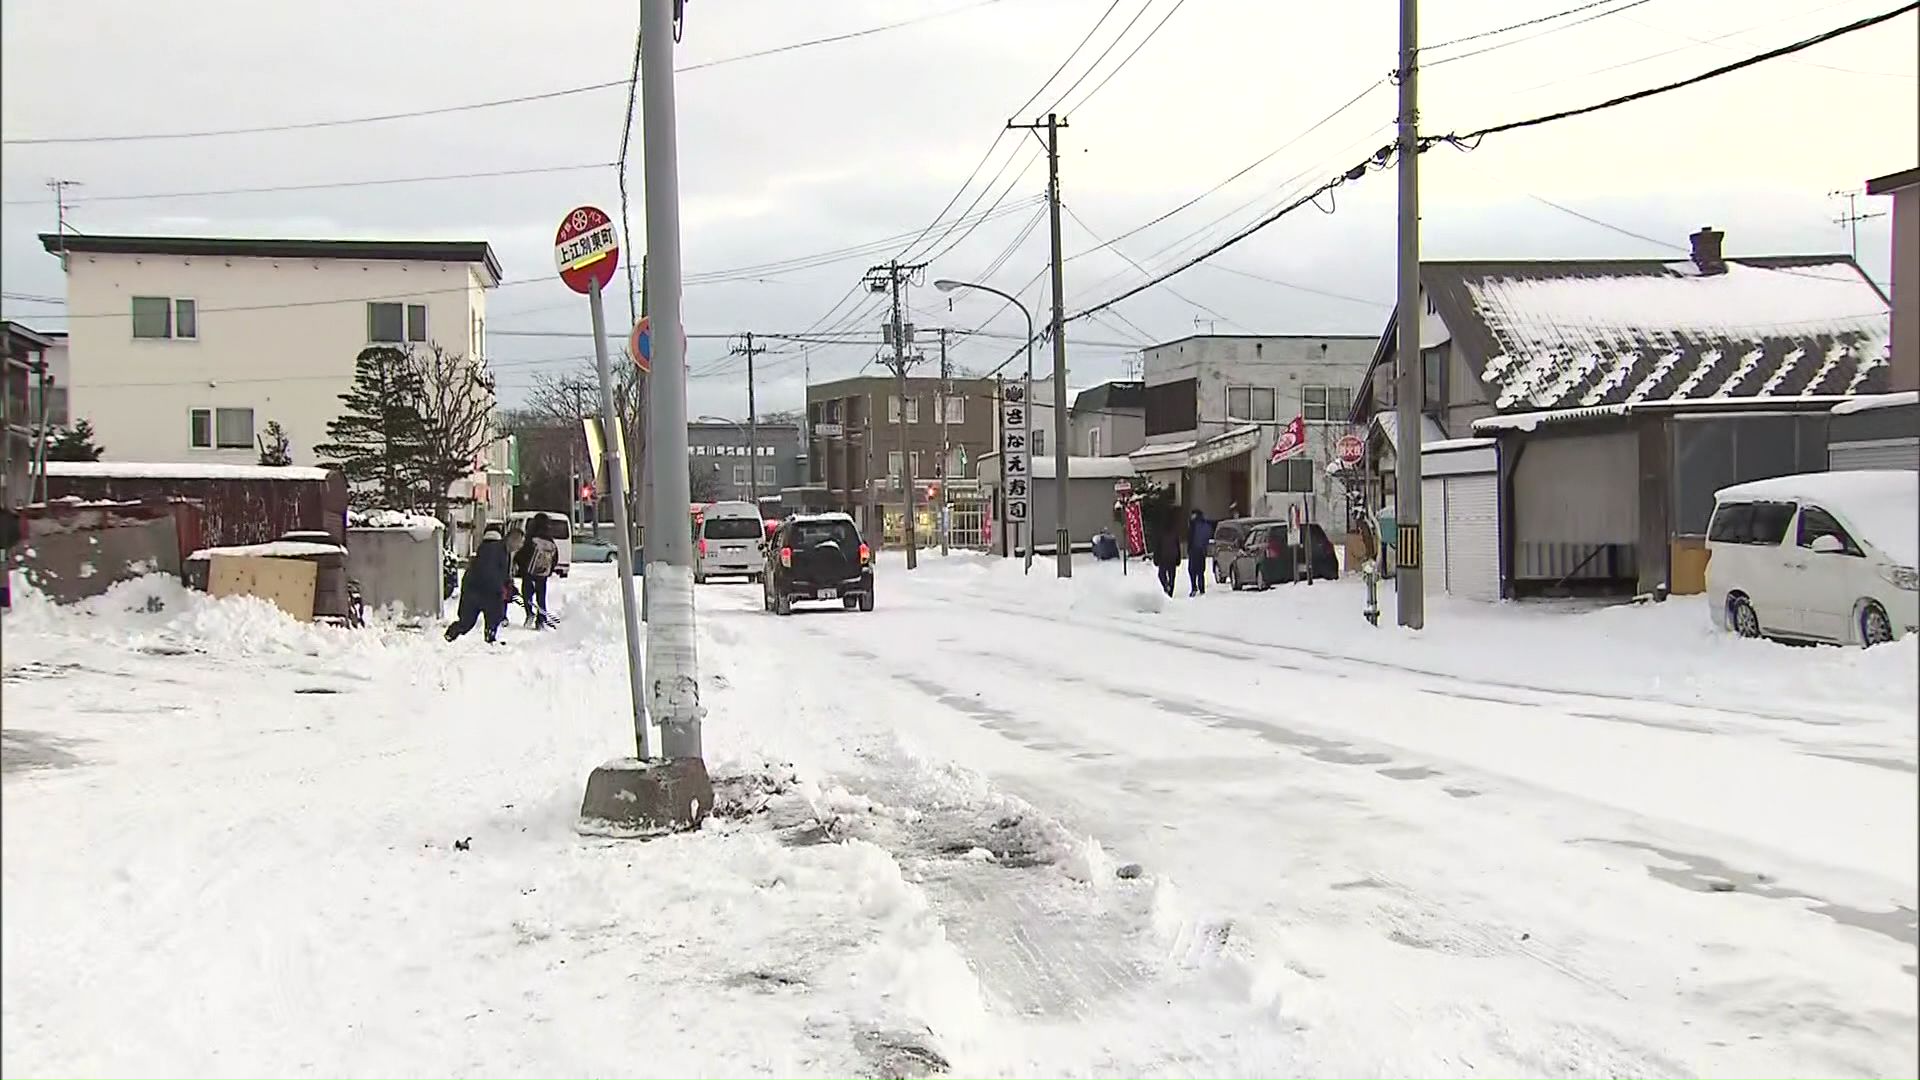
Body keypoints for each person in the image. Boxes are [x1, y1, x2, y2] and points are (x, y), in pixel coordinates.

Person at [445, 523, 511, 643]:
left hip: (472, 591)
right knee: (493, 619)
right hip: (490, 592)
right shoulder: (501, 551)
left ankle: (451, 634)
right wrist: (507, 586)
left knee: (466, 622)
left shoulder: (481, 550)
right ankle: (490, 638)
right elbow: (501, 573)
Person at [514, 513, 560, 629]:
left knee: (527, 594)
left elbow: (522, 554)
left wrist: (520, 567)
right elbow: (555, 558)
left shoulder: (531, 538)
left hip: (528, 572)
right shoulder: (549, 540)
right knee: (541, 596)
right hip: (542, 573)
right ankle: (541, 619)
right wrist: (549, 571)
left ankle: (529, 613)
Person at [1151, 515, 1183, 598]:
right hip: (1172, 557)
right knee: (1172, 576)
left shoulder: (1161, 534)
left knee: (1161, 574)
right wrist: (1178, 558)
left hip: (1163, 557)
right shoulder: (1174, 533)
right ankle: (1170, 591)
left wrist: (1156, 558)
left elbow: (1157, 547)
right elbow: (1177, 546)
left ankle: (1166, 586)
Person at [1185, 509, 1214, 597]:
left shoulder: (1194, 525)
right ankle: (1201, 588)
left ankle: (1194, 587)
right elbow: (1208, 535)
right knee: (1200, 571)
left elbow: (1190, 537)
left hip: (1194, 550)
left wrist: (1189, 549)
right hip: (1202, 550)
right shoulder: (1206, 525)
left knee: (1192, 570)